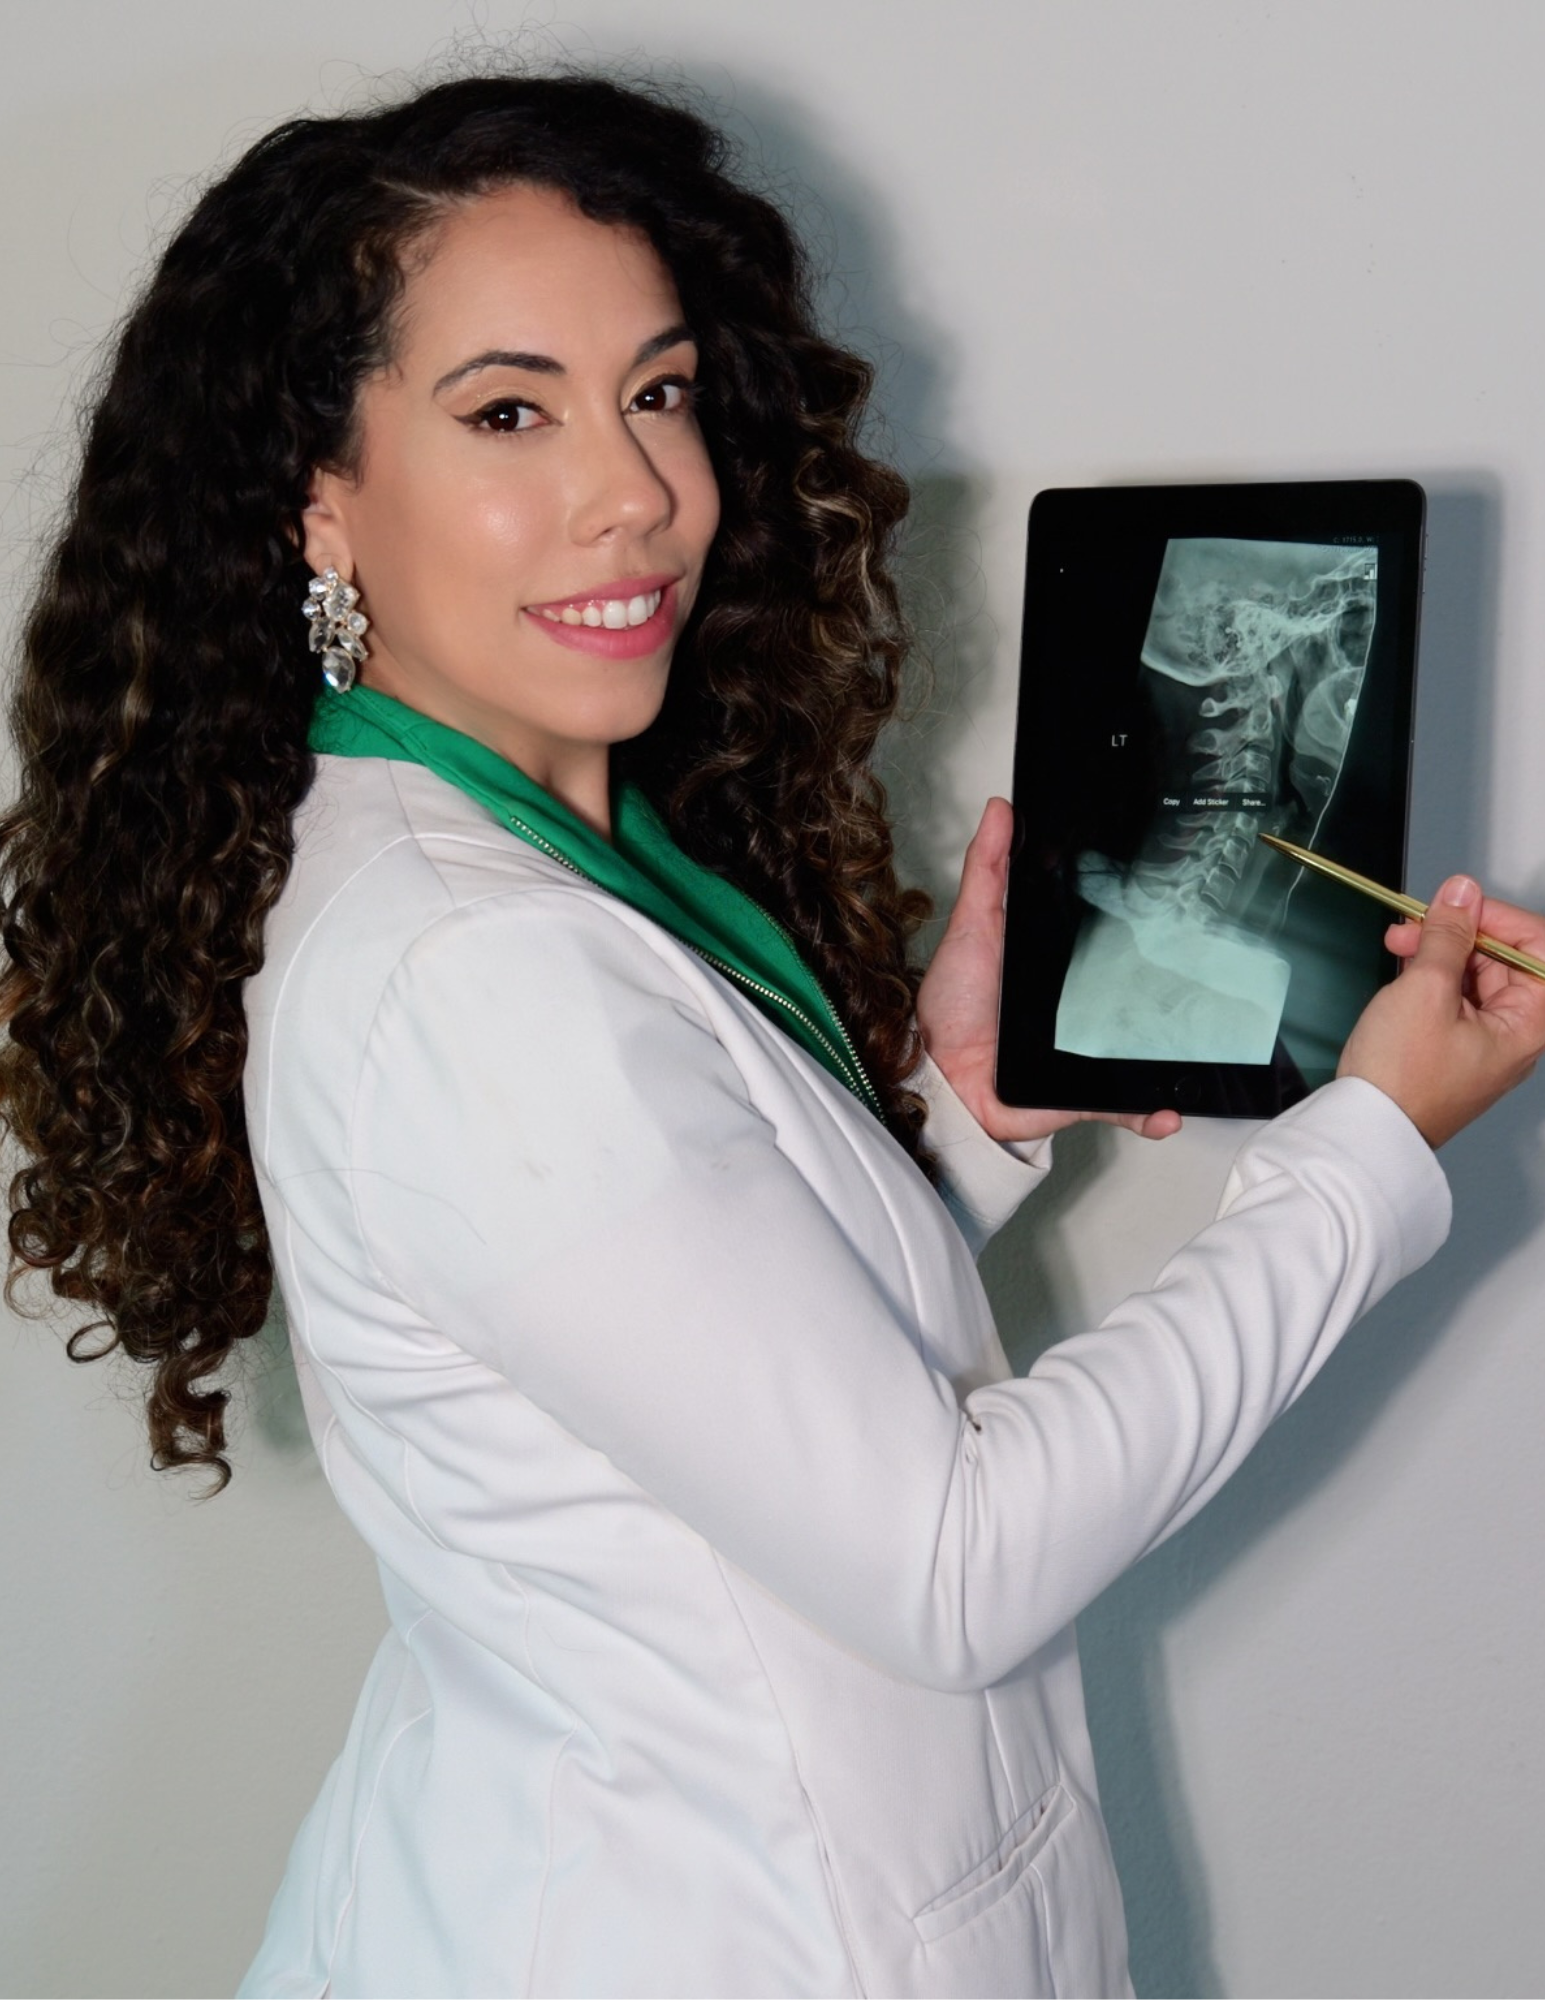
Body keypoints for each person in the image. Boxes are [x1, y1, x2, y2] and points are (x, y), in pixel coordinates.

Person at [1, 71, 1541, 2000]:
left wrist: (957, 1113)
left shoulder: (505, 843)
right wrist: (1370, 1155)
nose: (633, 490)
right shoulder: (473, 969)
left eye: (654, 391)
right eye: (507, 413)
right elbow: (951, 1561)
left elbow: (678, 1340)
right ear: (319, 495)